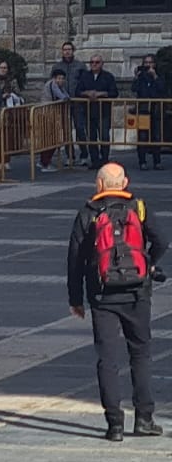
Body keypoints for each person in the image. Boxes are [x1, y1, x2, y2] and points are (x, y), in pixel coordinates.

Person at [68, 163, 166, 442]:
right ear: (125, 183)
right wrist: (147, 264)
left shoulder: (88, 212)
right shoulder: (139, 207)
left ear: (99, 185)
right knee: (141, 354)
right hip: (137, 292)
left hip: (102, 295)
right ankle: (144, 419)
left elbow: (74, 259)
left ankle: (114, 425)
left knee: (107, 359)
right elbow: (162, 241)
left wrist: (75, 299)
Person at [135, 56, 166, 170]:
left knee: (156, 136)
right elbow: (134, 89)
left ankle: (157, 162)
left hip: (155, 109)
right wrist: (137, 77)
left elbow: (162, 88)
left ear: (154, 64)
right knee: (142, 136)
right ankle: (142, 161)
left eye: (150, 62)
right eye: (146, 63)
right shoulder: (141, 76)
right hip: (143, 109)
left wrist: (155, 76)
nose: (148, 65)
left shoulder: (158, 76)